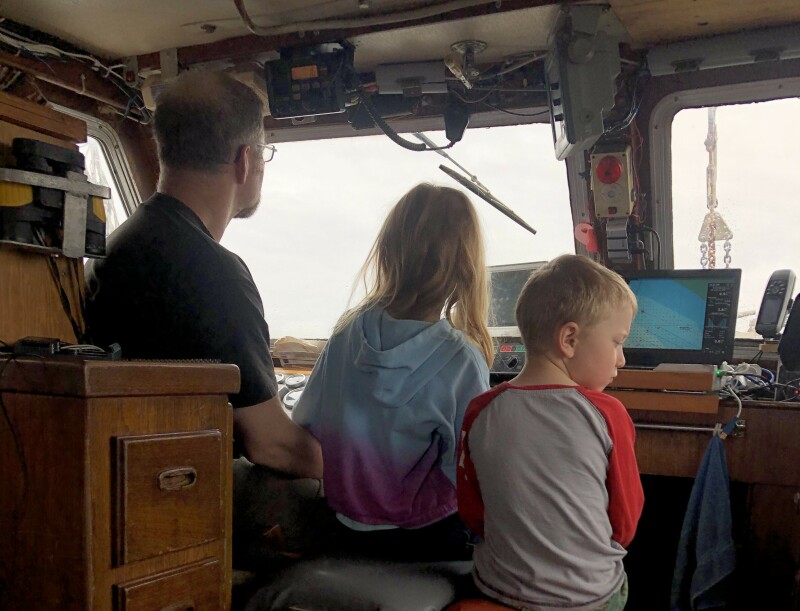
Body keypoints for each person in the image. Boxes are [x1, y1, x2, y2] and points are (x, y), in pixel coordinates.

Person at [84, 71, 322, 479]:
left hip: (123, 477)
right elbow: (271, 444)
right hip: (179, 490)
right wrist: (351, 473)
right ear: (244, 160)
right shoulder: (215, 274)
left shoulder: (119, 246)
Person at [291, 183, 493, 561]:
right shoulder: (461, 359)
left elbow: (306, 421)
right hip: (425, 536)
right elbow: (468, 474)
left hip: (346, 526)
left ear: (386, 252)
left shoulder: (346, 334)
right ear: (465, 270)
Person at [457, 254, 644, 610]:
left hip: (497, 591)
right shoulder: (607, 413)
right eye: (617, 342)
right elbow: (624, 522)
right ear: (569, 339)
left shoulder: (479, 411)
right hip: (587, 598)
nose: (621, 359)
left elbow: (472, 512)